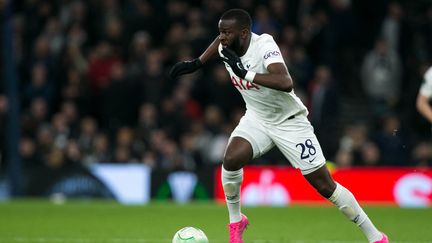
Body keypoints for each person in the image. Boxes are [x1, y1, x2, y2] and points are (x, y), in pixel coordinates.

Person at [170, 9, 388, 243]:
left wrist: (246, 73)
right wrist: (198, 62)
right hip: (257, 118)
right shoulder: (226, 45)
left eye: (226, 32)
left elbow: (285, 81)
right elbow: (219, 43)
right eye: (220, 32)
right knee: (231, 159)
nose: (221, 37)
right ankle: (236, 223)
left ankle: (376, 237)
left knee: (326, 186)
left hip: (290, 122)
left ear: (244, 33)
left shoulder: (264, 45)